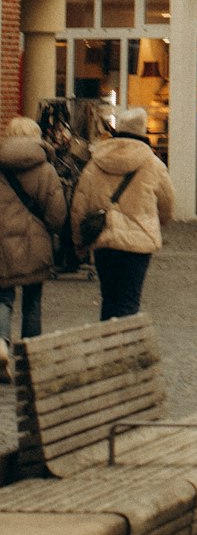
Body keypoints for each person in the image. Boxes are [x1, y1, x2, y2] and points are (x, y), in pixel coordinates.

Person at [71, 105, 175, 321]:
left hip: (104, 240)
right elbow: (167, 205)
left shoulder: (96, 161)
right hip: (138, 242)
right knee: (129, 300)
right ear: (143, 131)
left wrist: (79, 240)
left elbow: (79, 205)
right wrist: (160, 220)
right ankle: (124, 350)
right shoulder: (153, 164)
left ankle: (107, 348)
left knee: (109, 299)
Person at [0, 116, 67, 381]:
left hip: (1, 246)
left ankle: (1, 344)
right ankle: (30, 360)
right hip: (35, 243)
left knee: (3, 299)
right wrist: (51, 231)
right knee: (32, 301)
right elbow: (56, 213)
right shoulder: (46, 170)